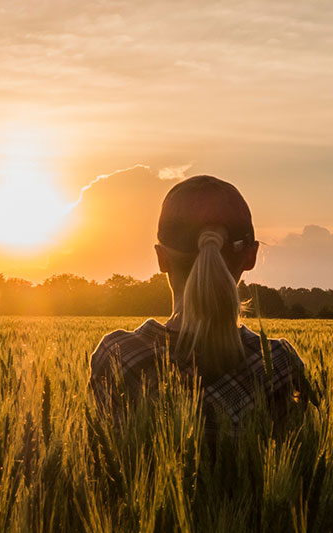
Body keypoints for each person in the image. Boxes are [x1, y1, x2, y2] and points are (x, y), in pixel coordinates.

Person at [89, 175, 311, 431]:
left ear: (161, 258)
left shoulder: (119, 356)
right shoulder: (278, 363)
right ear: (251, 256)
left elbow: (106, 458)